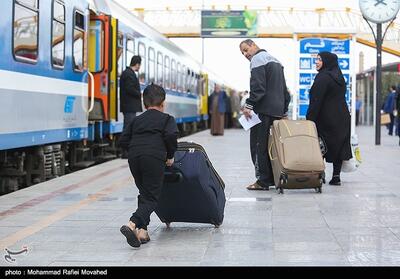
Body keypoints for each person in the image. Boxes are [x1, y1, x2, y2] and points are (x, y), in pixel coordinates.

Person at [118, 84, 179, 248]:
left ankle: (143, 232)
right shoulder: (167, 119)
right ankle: (132, 224)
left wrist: (134, 150)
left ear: (144, 103)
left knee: (145, 193)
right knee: (152, 197)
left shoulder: (137, 120)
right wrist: (170, 155)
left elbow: (122, 140)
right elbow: (171, 136)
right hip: (153, 158)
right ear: (163, 103)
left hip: (134, 159)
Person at [239, 39, 290, 191]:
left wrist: (248, 105)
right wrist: (284, 110)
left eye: (246, 49)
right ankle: (274, 177)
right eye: (242, 52)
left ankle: (262, 181)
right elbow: (285, 91)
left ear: (254, 45)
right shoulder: (276, 61)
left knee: (258, 145)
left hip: (262, 111)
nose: (245, 54)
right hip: (277, 111)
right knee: (272, 146)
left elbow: (258, 88)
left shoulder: (257, 60)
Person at [306, 52, 352, 186]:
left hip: (326, 117)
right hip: (342, 117)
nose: (317, 62)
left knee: (320, 145)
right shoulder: (339, 76)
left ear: (326, 61)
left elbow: (316, 100)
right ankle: (336, 176)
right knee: (338, 146)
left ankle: (320, 174)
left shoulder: (323, 77)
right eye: (316, 60)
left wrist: (310, 117)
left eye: (320, 60)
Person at [120, 55, 142, 158]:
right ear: (137, 64)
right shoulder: (128, 74)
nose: (139, 67)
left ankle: (127, 151)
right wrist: (139, 94)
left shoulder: (129, 73)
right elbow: (130, 89)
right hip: (129, 106)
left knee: (129, 127)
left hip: (129, 106)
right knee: (128, 128)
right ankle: (125, 152)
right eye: (139, 64)